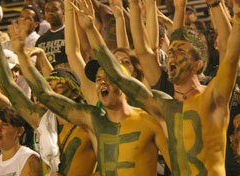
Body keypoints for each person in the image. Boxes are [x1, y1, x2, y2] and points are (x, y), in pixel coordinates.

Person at [72, 0, 240, 175]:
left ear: (198, 65)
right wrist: (91, 30)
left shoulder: (213, 96)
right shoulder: (163, 104)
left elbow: (230, 56)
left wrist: (229, 13)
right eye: (171, 51)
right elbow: (121, 78)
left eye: (180, 52)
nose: (172, 56)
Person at [5, 1, 171, 175]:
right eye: (100, 77)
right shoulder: (96, 114)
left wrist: (127, 14)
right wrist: (71, 10)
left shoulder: (148, 106)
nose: (104, 79)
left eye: (123, 63)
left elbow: (146, 49)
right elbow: (69, 59)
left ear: (136, 72)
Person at [0, 0, 96, 175]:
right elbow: (8, 86)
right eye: (50, 89)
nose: (51, 95)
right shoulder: (44, 121)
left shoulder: (89, 123)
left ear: (75, 93)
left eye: (59, 89)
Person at [35, 0, 68, 69]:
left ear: (63, 11)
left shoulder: (70, 33)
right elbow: (38, 66)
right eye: (47, 10)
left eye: (54, 10)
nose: (50, 13)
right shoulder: (41, 40)